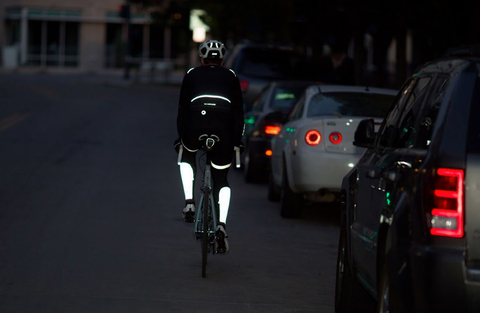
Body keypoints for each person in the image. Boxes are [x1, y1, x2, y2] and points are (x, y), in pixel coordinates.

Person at [174, 39, 244, 254]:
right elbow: (239, 113)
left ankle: (189, 203)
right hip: (223, 128)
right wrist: (236, 142)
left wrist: (181, 137)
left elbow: (182, 110)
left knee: (187, 154)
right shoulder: (231, 76)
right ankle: (221, 225)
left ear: (202, 59)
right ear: (221, 60)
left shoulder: (191, 74)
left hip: (196, 124)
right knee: (221, 178)